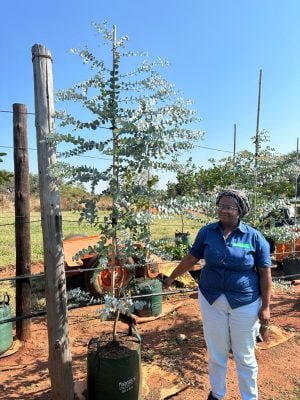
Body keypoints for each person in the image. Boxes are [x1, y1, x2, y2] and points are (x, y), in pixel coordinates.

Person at [164, 189, 272, 400]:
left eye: (230, 207)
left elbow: (265, 274)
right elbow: (191, 258)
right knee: (216, 352)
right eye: (221, 205)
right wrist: (171, 277)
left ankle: (250, 397)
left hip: (245, 303)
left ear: (240, 211)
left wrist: (266, 306)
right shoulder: (207, 232)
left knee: (244, 355)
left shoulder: (254, 237)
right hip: (211, 299)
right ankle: (217, 394)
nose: (224, 210)